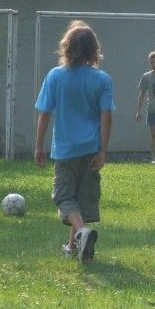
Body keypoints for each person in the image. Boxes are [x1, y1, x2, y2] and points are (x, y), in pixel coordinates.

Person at [35, 20, 114, 262]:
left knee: (63, 197)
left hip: (66, 150)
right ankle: (74, 246)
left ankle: (80, 234)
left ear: (66, 47)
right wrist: (103, 150)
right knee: (81, 199)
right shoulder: (102, 79)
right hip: (91, 149)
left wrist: (39, 145)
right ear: (94, 49)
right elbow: (106, 116)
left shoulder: (55, 76)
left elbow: (45, 113)